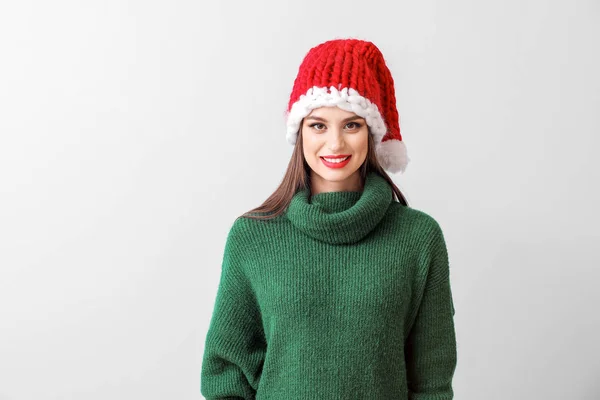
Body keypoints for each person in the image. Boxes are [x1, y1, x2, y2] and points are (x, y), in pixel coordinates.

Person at [200, 38, 457, 399]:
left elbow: (431, 383)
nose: (334, 144)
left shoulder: (417, 238)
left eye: (351, 125)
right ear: (299, 132)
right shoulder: (253, 237)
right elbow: (225, 374)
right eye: (318, 126)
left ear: (371, 133)